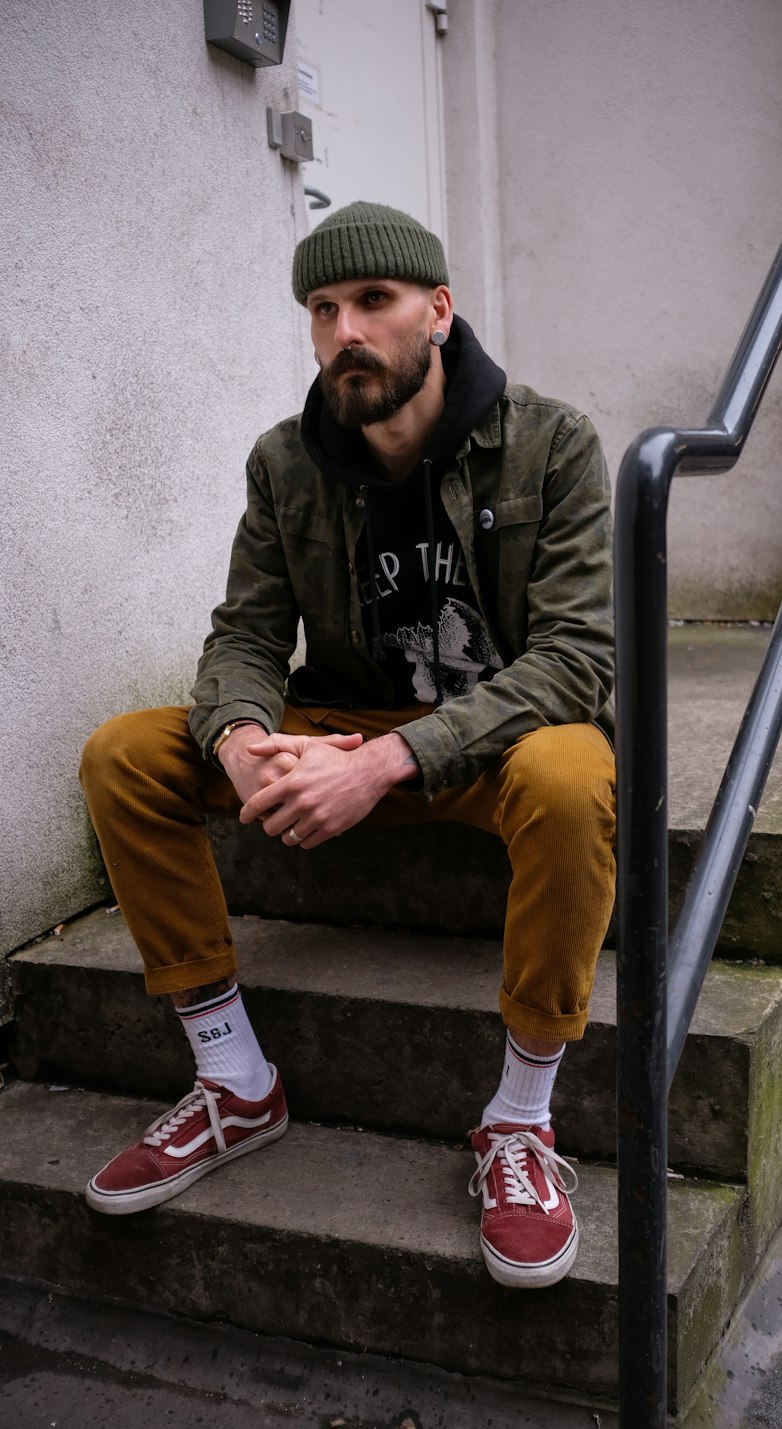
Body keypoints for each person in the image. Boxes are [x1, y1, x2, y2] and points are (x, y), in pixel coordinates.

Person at [79, 202, 616, 1290]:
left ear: (439, 310)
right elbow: (245, 632)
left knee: (573, 777)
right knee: (124, 754)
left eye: (373, 301)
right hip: (341, 727)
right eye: (323, 310)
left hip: (495, 742)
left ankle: (520, 1123)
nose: (345, 331)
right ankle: (234, 1079)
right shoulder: (286, 462)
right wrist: (236, 739)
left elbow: (574, 657)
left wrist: (384, 765)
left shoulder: (550, 442)